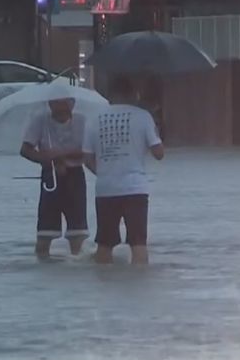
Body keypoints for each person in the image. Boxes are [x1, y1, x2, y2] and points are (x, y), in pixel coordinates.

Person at [83, 75, 164, 266]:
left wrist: (104, 172)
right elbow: (159, 154)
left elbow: (87, 158)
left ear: (109, 94)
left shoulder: (94, 118)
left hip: (106, 188)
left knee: (104, 245)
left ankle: (103, 283)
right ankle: (139, 281)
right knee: (138, 244)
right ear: (134, 94)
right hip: (135, 188)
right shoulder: (143, 117)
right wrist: (155, 130)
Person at [20, 87, 88, 258]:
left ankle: (76, 264)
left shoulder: (82, 121)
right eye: (57, 105)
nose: (62, 109)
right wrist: (45, 159)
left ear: (72, 104)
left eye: (66, 104)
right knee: (44, 235)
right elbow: (26, 149)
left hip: (75, 175)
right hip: (50, 175)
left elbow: (88, 151)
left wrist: (61, 156)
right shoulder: (40, 120)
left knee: (77, 234)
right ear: (50, 105)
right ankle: (42, 264)